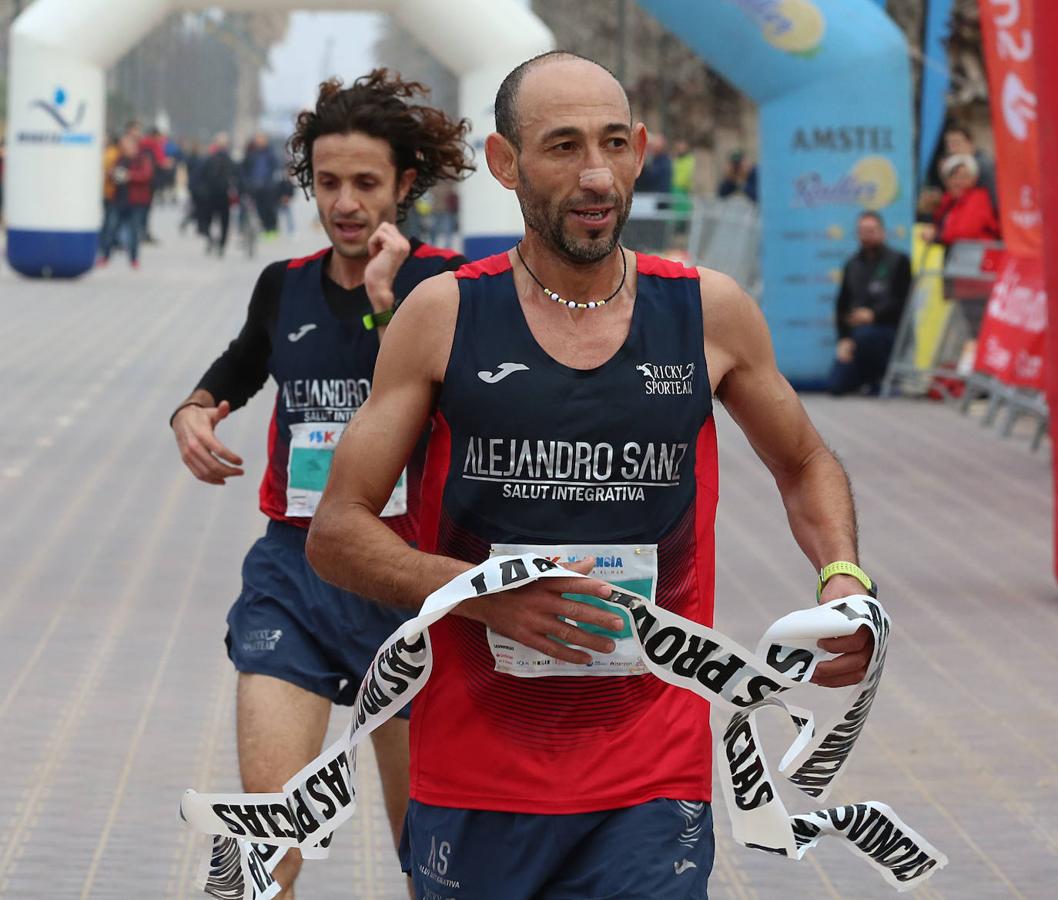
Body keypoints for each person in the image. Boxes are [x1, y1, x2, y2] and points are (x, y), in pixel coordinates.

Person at [307, 51, 877, 900]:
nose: (597, 175)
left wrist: (842, 577)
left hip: (651, 781)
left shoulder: (705, 311)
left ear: (642, 150)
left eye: (614, 144)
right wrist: (477, 592)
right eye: (563, 147)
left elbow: (803, 463)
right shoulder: (444, 317)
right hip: (476, 777)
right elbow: (337, 530)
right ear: (506, 164)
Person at [168, 70, 471, 899]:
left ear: (405, 185)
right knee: (262, 843)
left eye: (365, 183)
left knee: (434, 866)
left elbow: (456, 401)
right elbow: (239, 365)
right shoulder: (285, 283)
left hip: (408, 586)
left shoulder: (447, 288)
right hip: (295, 575)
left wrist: (384, 306)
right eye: (328, 182)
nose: (344, 202)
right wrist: (194, 411)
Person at [828, 211, 912, 396]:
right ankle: (865, 378)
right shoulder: (852, 264)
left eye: (871, 230)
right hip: (856, 336)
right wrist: (844, 338)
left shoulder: (899, 261)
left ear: (882, 232)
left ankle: (880, 380)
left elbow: (903, 301)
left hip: (888, 330)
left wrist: (873, 314)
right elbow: (842, 305)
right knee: (835, 385)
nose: (867, 236)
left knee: (868, 336)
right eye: (863, 231)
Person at [98, 132, 154, 269]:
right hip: (118, 199)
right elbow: (110, 173)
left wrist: (130, 176)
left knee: (133, 232)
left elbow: (146, 175)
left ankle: (134, 259)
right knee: (110, 229)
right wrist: (113, 174)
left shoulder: (142, 159)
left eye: (127, 145)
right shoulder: (119, 159)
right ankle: (105, 256)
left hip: (136, 202)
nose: (124, 147)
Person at [926, 154, 1000, 247]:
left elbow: (964, 232)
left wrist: (937, 236)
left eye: (964, 177)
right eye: (953, 177)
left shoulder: (978, 199)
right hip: (957, 256)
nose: (958, 182)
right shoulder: (948, 201)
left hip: (976, 257)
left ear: (973, 180)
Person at [198, 133, 238, 256]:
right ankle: (214, 241)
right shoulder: (210, 159)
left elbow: (237, 177)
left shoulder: (228, 160)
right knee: (210, 221)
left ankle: (220, 244)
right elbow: (201, 177)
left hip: (222, 195)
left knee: (222, 221)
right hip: (212, 195)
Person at [943, 124, 997, 210]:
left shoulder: (982, 166)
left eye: (956, 143)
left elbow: (994, 199)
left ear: (970, 143)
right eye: (949, 145)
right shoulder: (956, 164)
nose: (952, 149)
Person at [241, 131, 280, 235]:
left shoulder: (271, 154)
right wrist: (247, 182)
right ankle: (265, 228)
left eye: (262, 139)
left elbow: (277, 167)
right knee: (259, 208)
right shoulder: (251, 154)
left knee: (270, 208)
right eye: (258, 139)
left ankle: (272, 228)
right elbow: (244, 169)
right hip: (254, 186)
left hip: (268, 186)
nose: (260, 142)